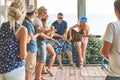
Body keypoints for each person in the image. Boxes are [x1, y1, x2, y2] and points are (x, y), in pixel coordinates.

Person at [0, 0, 27, 80]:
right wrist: (26, 42)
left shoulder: (3, 26)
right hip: (15, 69)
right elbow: (22, 56)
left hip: (2, 69)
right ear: (22, 12)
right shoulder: (22, 29)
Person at [33, 6, 59, 80]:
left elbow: (42, 32)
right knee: (41, 61)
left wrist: (50, 30)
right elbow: (40, 33)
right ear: (42, 12)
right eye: (45, 12)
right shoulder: (37, 21)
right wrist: (50, 36)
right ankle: (37, 77)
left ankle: (38, 76)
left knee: (40, 60)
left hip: (42, 42)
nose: (46, 14)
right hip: (40, 42)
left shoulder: (39, 21)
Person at [100, 0, 120, 79]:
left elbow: (105, 52)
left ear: (115, 10)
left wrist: (102, 49)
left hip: (115, 74)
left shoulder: (113, 26)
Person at [22, 5, 40, 80]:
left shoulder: (28, 22)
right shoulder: (27, 23)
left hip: (32, 48)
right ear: (32, 13)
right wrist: (39, 33)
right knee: (28, 70)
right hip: (30, 49)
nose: (35, 14)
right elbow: (31, 37)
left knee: (30, 68)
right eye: (35, 13)